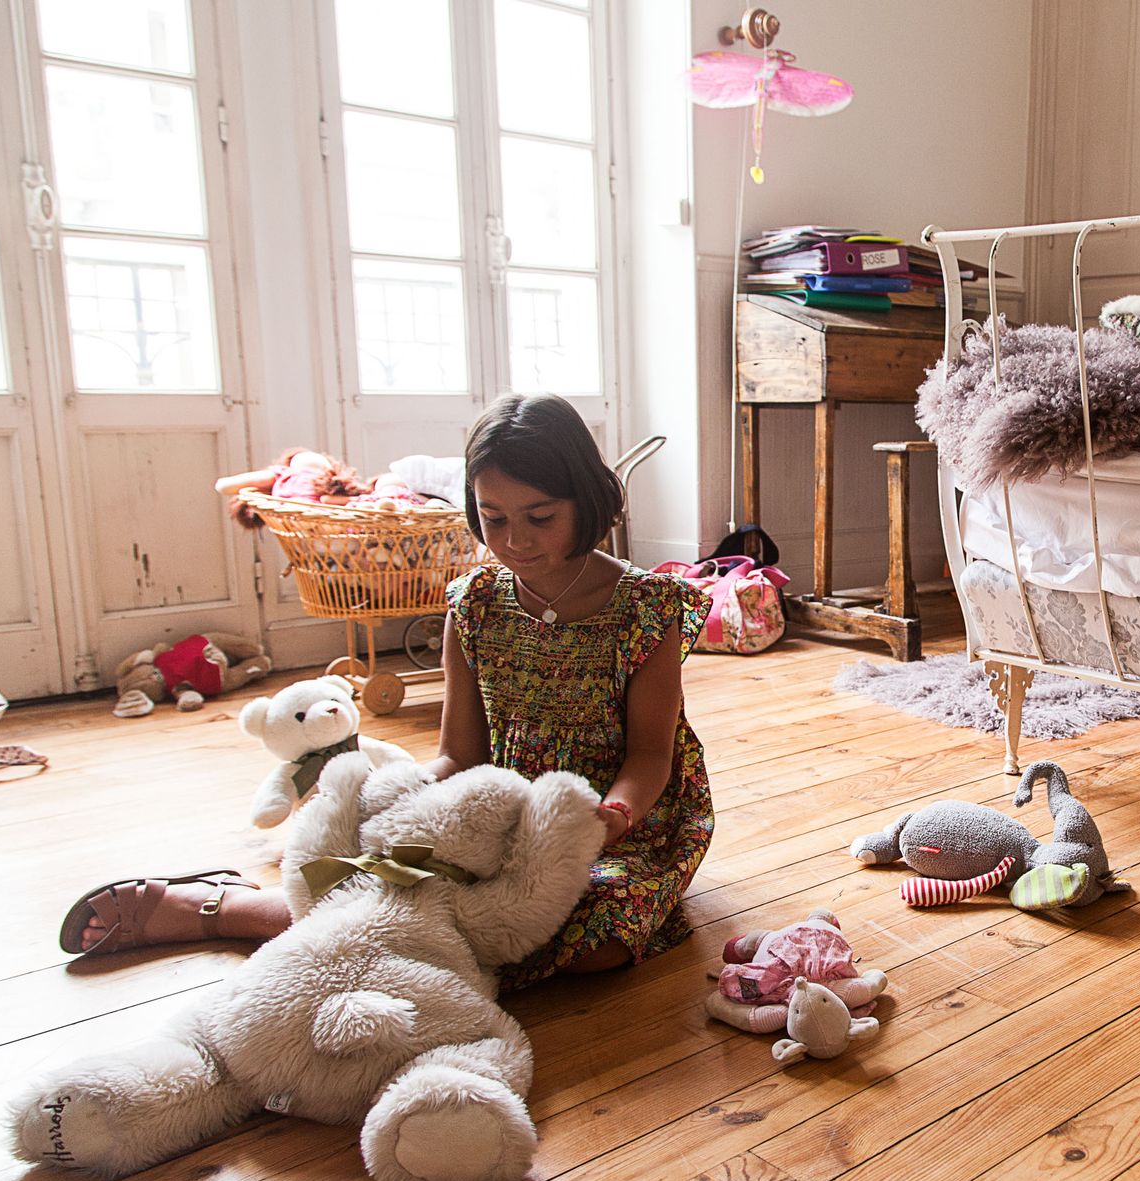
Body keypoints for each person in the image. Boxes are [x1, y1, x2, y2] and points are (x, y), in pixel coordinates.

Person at [61, 394, 713, 985]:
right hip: (495, 809)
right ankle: (230, 907)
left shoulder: (646, 607)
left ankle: (282, 918)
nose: (515, 540)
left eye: (539, 516)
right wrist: (398, 798)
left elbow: (650, 755)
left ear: (585, 499)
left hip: (625, 823)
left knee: (592, 937)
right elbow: (459, 755)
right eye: (493, 517)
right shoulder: (476, 603)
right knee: (428, 883)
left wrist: (611, 817)